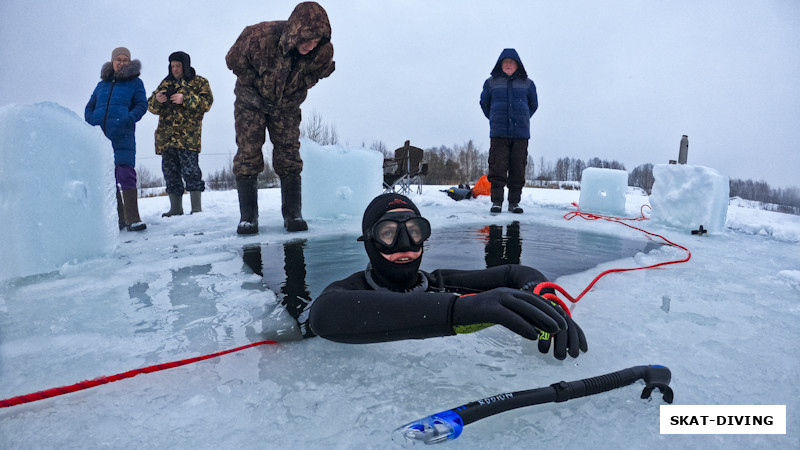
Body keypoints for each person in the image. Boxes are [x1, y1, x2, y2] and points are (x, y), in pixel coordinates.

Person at [307, 193, 587, 360]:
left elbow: (514, 273)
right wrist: (460, 310)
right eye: (389, 233)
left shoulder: (438, 282)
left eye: (414, 231)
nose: (405, 244)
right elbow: (323, 315)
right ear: (369, 241)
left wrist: (544, 296)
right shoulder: (349, 292)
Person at [225, 1, 335, 235]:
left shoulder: (323, 51)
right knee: (248, 153)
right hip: (250, 102)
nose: (311, 45)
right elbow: (233, 61)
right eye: (307, 40)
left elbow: (321, 72)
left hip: (286, 105)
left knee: (289, 154)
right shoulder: (259, 36)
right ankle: (248, 218)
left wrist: (302, 84)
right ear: (295, 32)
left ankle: (293, 214)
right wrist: (254, 85)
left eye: (317, 41)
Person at [85, 47, 148, 231]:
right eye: (118, 59)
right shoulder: (101, 85)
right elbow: (89, 107)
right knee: (108, 178)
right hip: (101, 138)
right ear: (112, 62)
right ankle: (119, 220)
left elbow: (142, 105)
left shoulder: (135, 83)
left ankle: (133, 218)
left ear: (130, 62)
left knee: (126, 174)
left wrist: (128, 119)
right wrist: (92, 122)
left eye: (125, 59)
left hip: (123, 135)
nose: (121, 62)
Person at [148, 51, 214, 217]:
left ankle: (196, 208)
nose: (175, 69)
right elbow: (150, 106)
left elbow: (207, 103)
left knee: (191, 172)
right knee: (170, 172)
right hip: (166, 138)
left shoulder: (199, 82)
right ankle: (175, 208)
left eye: (178, 65)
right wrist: (157, 100)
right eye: (172, 66)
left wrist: (185, 99)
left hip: (188, 137)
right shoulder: (165, 83)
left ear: (185, 65)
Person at [479, 48, 538, 214]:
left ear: (518, 65)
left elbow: (533, 105)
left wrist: (523, 118)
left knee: (517, 169)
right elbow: (484, 103)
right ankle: (496, 202)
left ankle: (514, 203)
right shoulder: (491, 82)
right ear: (500, 65)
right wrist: (494, 117)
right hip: (499, 134)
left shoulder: (528, 84)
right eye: (505, 62)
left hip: (521, 134)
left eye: (511, 62)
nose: (508, 65)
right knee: (497, 168)